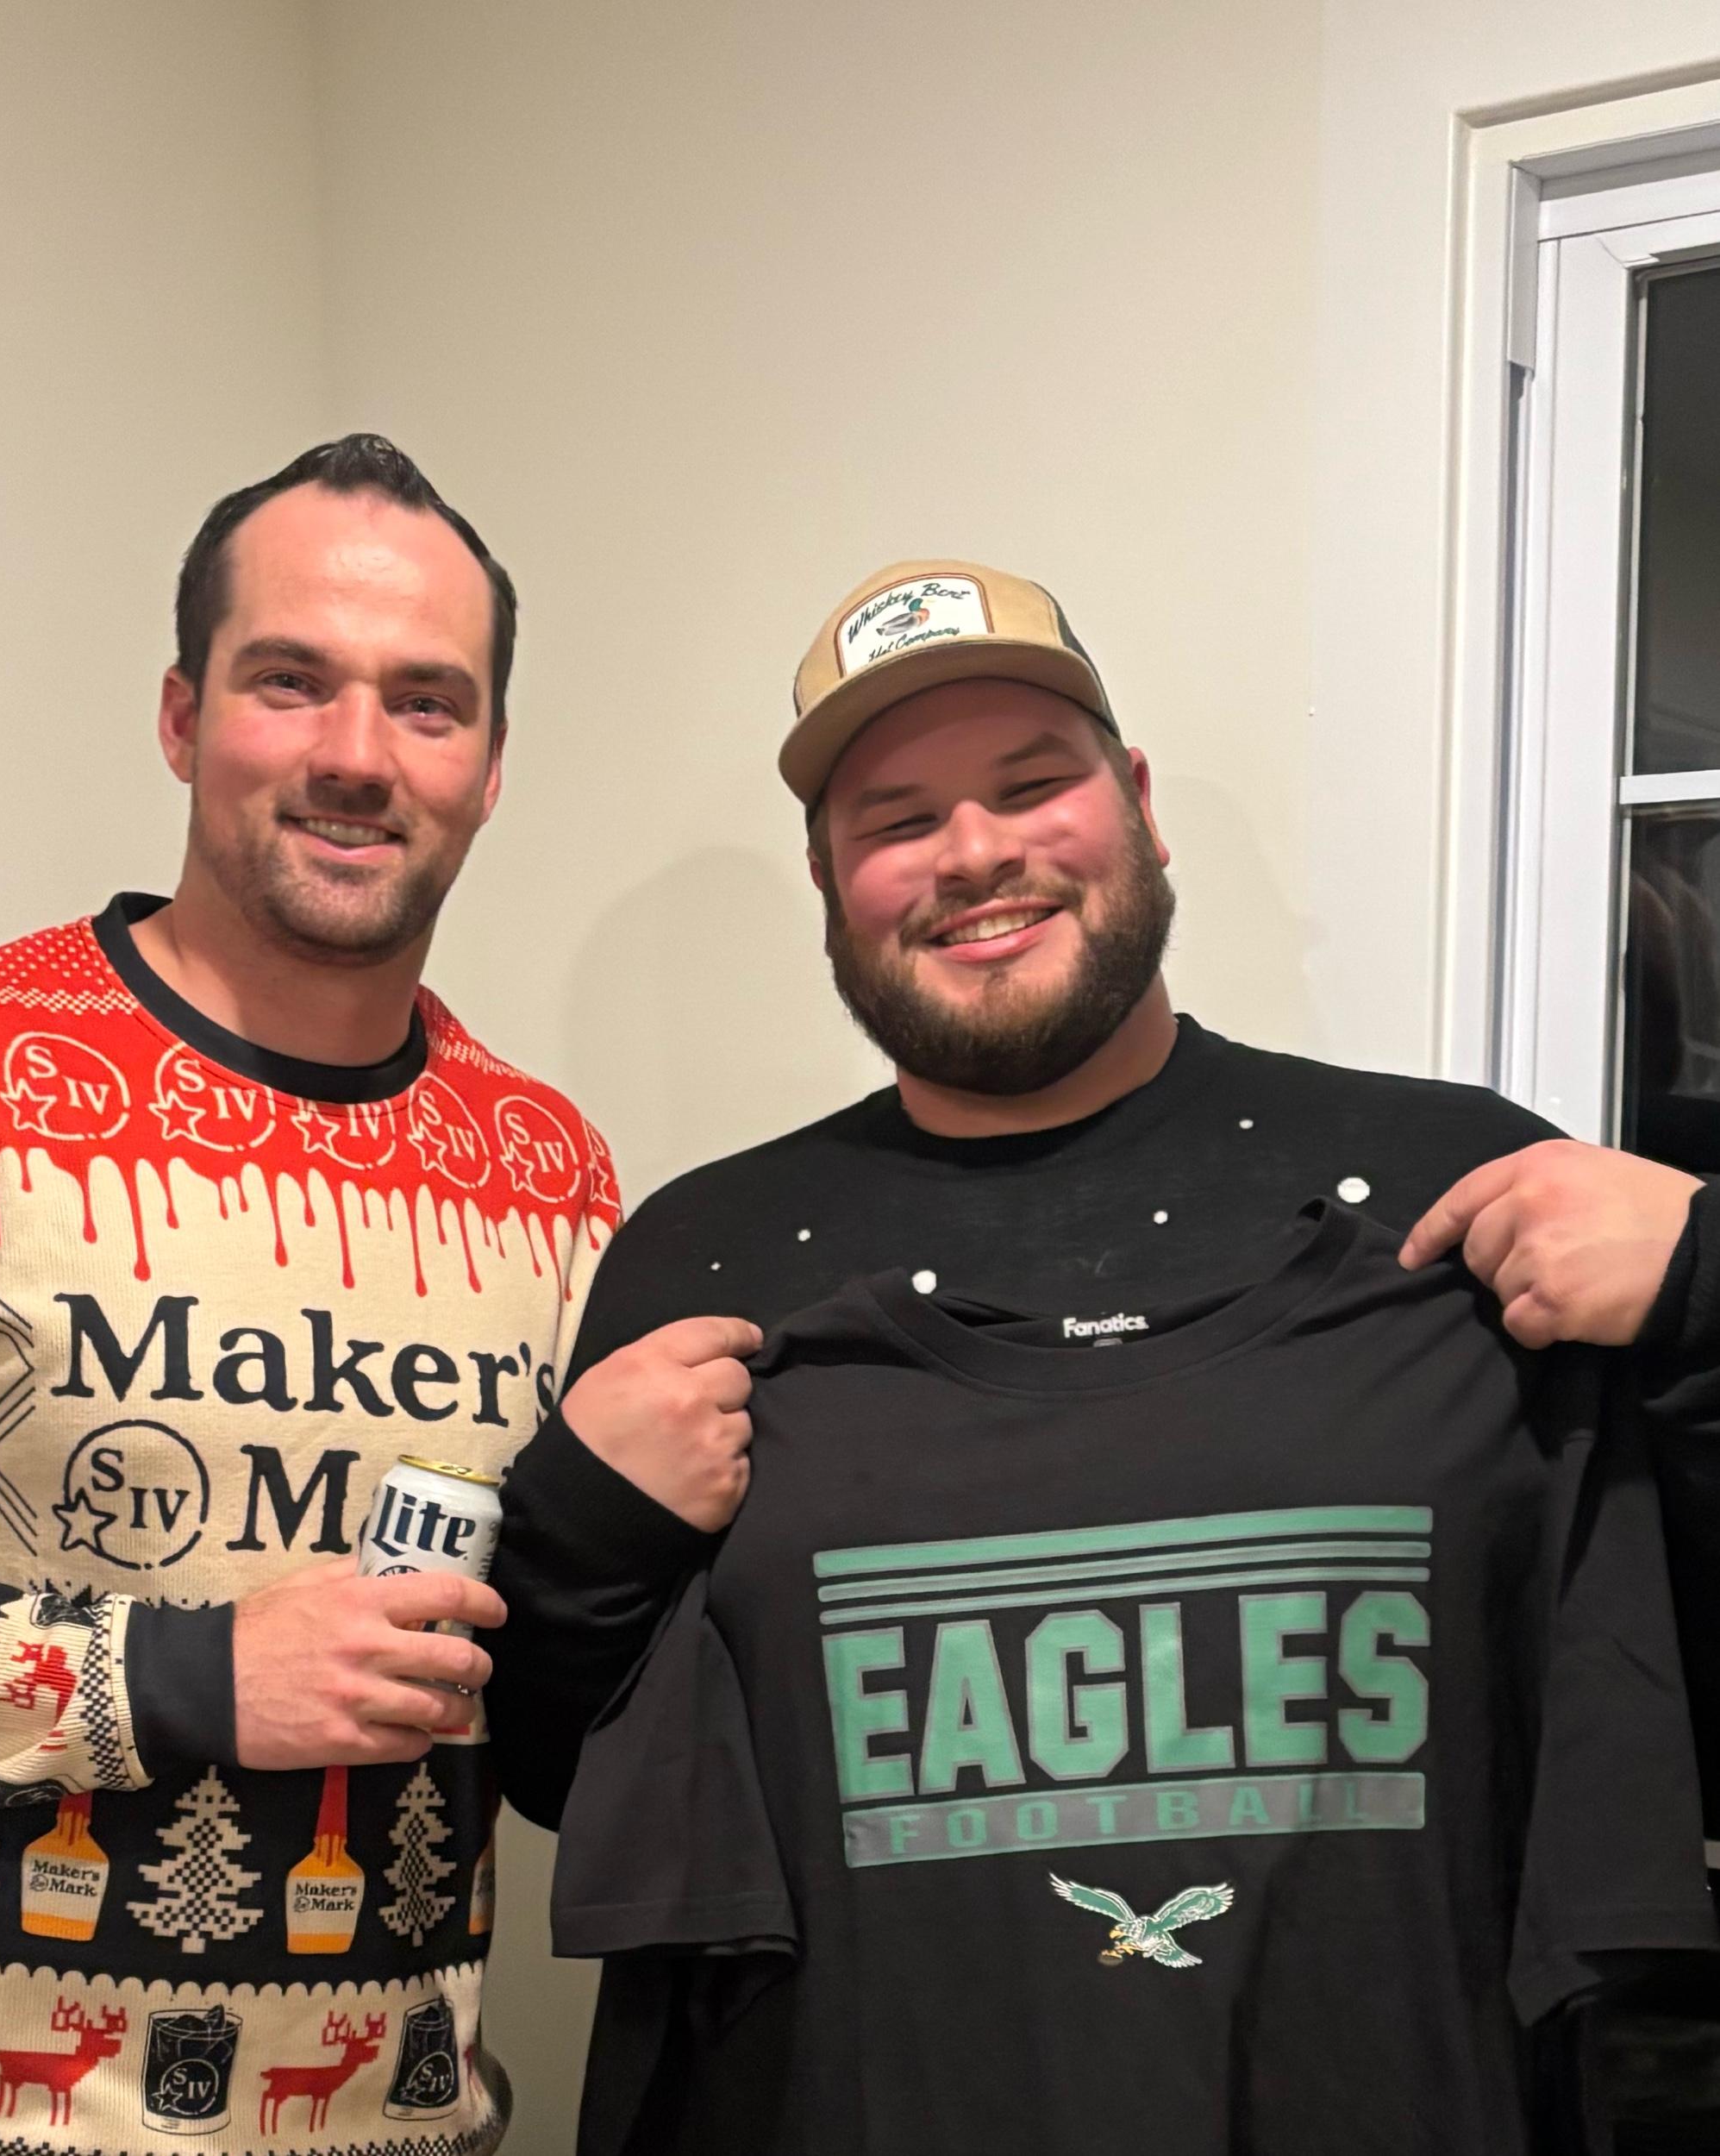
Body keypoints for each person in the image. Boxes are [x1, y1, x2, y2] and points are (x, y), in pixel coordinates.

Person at [484, 559, 1720, 2151]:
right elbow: (564, 1774)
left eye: (1029, 786)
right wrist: (587, 1524)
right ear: (831, 881)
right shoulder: (713, 1261)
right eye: (897, 819)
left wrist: (1706, 1287)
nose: (973, 853)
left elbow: (1667, 1693)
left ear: (1135, 802)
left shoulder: (1454, 1197)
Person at [0, 434, 618, 2156]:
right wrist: (184, 1672)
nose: (356, 752)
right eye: (289, 681)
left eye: (426, 702)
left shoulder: (555, 1169)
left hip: (405, 2121)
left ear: (492, 765)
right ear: (180, 715)